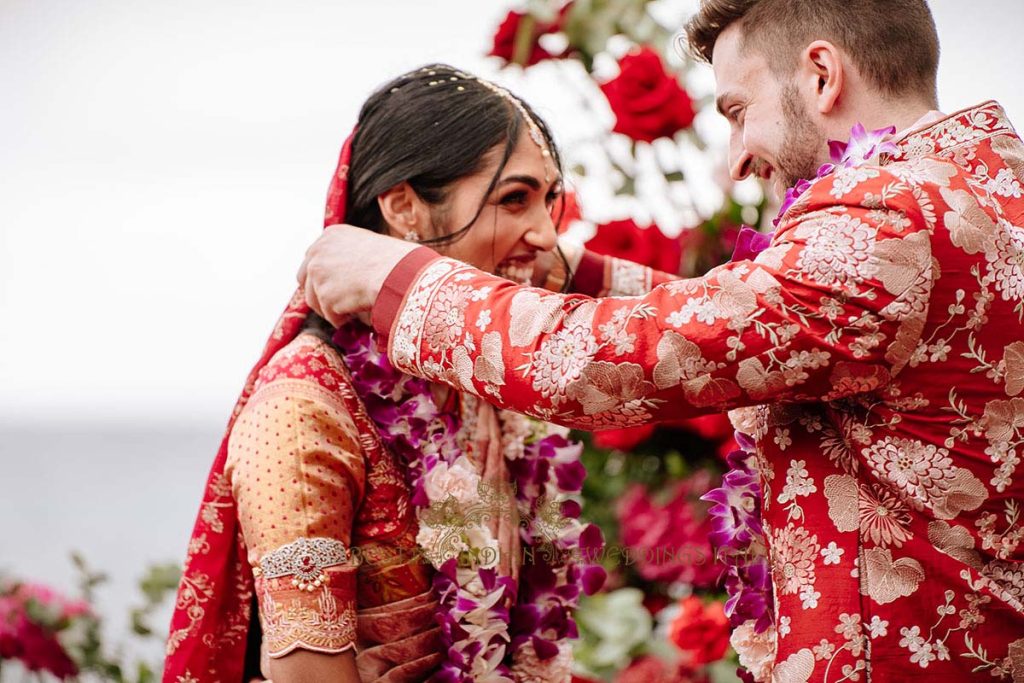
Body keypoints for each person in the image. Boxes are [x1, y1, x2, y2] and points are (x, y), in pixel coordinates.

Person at [296, 1, 1024, 679]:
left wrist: (397, 279)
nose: (736, 156)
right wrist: (566, 271)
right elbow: (745, 321)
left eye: (739, 112)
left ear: (823, 75)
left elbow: (617, 362)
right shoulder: (981, 187)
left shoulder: (886, 221)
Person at [163, 64, 606, 683]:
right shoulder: (303, 405)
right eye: (514, 198)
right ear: (403, 207)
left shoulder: (471, 376)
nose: (546, 232)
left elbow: (668, 311)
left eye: (548, 198)